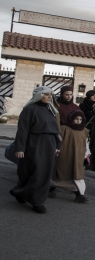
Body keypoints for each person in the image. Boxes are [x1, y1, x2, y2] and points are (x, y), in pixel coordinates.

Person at [9, 86, 62, 214]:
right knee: (36, 172)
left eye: (51, 95)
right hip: (34, 143)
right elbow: (23, 130)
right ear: (39, 95)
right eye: (46, 94)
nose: (50, 97)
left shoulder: (50, 110)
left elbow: (55, 130)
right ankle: (32, 199)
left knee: (45, 173)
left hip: (49, 145)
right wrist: (20, 148)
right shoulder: (29, 109)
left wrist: (57, 146)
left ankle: (31, 198)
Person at [50, 110, 90, 203]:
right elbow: (57, 141)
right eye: (76, 119)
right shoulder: (64, 129)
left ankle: (80, 195)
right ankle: (50, 189)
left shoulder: (84, 131)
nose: (78, 121)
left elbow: (86, 143)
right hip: (65, 156)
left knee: (77, 176)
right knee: (61, 174)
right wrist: (56, 150)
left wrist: (86, 154)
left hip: (78, 157)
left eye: (80, 119)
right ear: (72, 119)